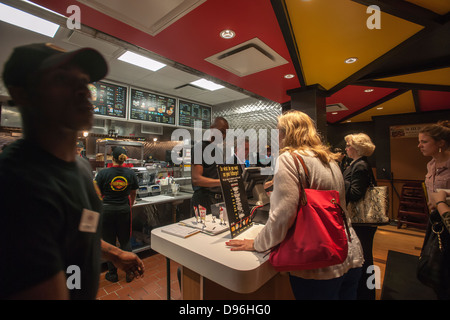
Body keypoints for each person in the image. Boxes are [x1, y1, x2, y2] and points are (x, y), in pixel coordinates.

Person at [0, 43, 144, 299]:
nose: (83, 92)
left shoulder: (79, 167)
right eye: (61, 79)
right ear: (21, 94)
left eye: (84, 81)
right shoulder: (18, 184)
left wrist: (115, 253)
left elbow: (77, 231)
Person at [226, 110, 364, 300]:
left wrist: (258, 243)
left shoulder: (290, 159)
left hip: (319, 264)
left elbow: (282, 216)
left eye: (277, 132)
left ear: (285, 133)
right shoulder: (328, 160)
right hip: (350, 252)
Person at [94, 146, 139, 283]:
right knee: (125, 241)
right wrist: (129, 205)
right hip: (123, 211)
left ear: (111, 158)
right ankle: (130, 272)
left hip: (107, 211)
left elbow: (95, 192)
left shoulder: (102, 173)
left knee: (110, 243)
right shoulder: (130, 173)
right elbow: (133, 193)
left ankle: (112, 275)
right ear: (125, 159)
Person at [342, 133, 377, 300]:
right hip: (361, 221)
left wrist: (340, 181)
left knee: (365, 258)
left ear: (356, 148)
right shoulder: (357, 164)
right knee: (365, 256)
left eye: (348, 146)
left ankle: (367, 294)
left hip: (362, 221)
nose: (346, 148)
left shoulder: (360, 166)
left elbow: (356, 194)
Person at [418, 120, 450, 299]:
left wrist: (442, 201)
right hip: (435, 222)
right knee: (434, 264)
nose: (419, 145)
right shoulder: (431, 165)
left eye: (424, 141)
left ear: (441, 143)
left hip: (448, 222)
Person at [190, 117, 229, 216]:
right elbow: (196, 179)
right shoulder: (200, 148)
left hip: (218, 200)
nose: (223, 135)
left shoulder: (219, 151)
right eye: (221, 131)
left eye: (225, 133)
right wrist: (222, 182)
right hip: (204, 200)